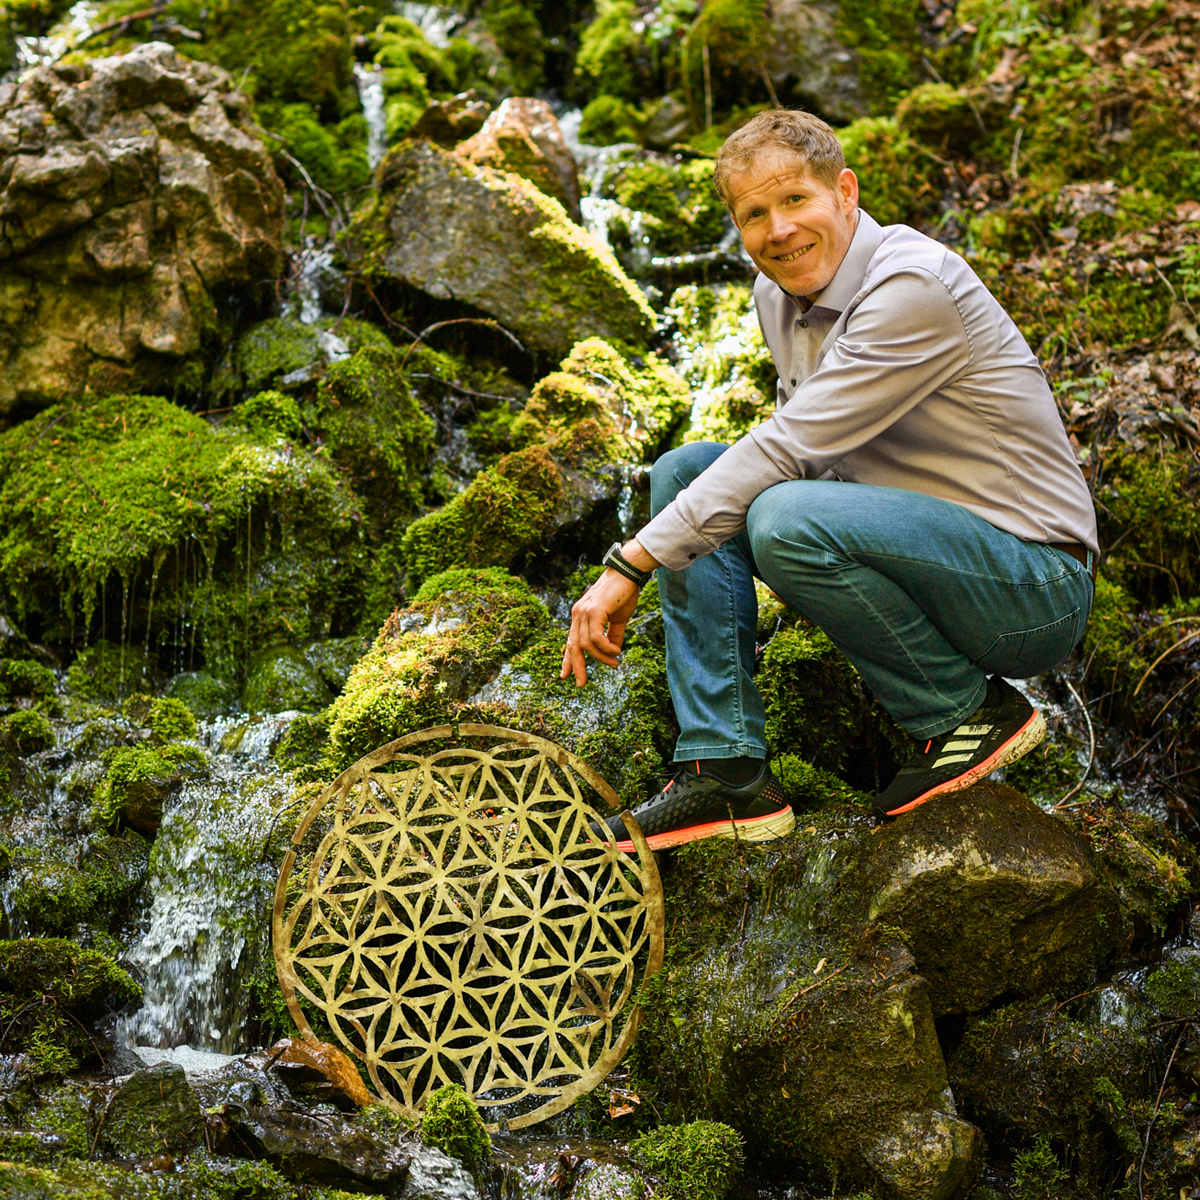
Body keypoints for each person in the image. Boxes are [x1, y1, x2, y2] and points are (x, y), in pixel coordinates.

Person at [560, 108, 1097, 849]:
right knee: (687, 470)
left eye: (794, 200)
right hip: (917, 552)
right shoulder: (776, 298)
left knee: (784, 516)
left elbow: (789, 450)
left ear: (845, 192)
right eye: (754, 214)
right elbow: (802, 454)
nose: (777, 230)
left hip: (1029, 589)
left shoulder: (914, 285)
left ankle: (964, 713)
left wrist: (630, 564)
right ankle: (726, 770)